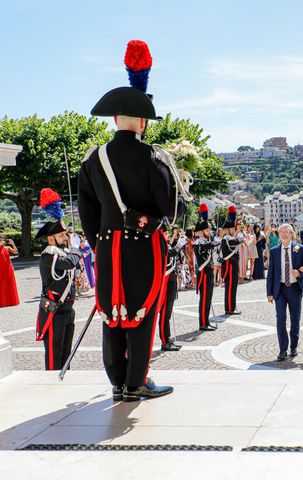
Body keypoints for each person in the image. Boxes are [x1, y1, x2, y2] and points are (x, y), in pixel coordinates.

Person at [78, 40, 185, 401]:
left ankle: (117, 380)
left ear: (113, 121)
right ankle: (137, 381)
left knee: (112, 310)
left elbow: (87, 212)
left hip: (107, 246)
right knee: (143, 309)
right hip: (144, 246)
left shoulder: (93, 160)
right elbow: (168, 210)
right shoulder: (153, 156)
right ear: (142, 122)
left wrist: (100, 242)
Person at [35, 188, 82, 370]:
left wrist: (73, 250)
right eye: (62, 235)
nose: (65, 238)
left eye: (66, 235)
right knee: (55, 350)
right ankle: (52, 382)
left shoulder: (62, 252)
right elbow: (70, 263)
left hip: (67, 308)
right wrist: (76, 250)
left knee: (66, 351)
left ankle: (65, 377)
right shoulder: (49, 254)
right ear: (50, 238)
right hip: (55, 310)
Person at [266, 223, 303, 361]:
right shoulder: (274, 251)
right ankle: (283, 349)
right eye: (281, 231)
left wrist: (299, 273)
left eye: (287, 231)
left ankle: (293, 347)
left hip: (294, 288)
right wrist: (269, 292)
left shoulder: (300, 249)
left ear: (292, 234)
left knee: (295, 318)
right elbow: (271, 273)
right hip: (279, 289)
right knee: (280, 319)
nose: (284, 234)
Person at [157, 227, 181, 351]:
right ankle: (164, 341)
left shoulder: (166, 245)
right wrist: (179, 243)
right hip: (166, 283)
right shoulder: (161, 247)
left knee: (168, 313)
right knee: (165, 313)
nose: (168, 235)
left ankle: (167, 338)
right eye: (165, 233)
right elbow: (172, 252)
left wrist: (176, 238)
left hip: (171, 282)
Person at [193, 205, 217, 332]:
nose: (209, 233)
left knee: (208, 298)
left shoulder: (205, 241)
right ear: (201, 232)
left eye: (209, 231)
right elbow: (209, 245)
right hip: (204, 272)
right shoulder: (199, 242)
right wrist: (216, 240)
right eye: (207, 231)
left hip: (210, 271)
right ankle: (203, 323)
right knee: (204, 299)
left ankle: (206, 321)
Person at [221, 206, 242, 315]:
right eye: (233, 229)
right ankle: (229, 308)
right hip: (229, 265)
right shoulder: (226, 238)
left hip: (233, 264)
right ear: (229, 229)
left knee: (233, 286)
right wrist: (240, 237)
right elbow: (236, 242)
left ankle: (231, 307)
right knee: (230, 287)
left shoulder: (230, 237)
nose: (234, 230)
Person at [0, 235, 20, 307]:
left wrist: (13, 244)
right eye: (1, 239)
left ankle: (10, 301)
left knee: (9, 284)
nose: (2, 241)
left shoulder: (7, 248)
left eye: (3, 239)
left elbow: (16, 252)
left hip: (8, 268)